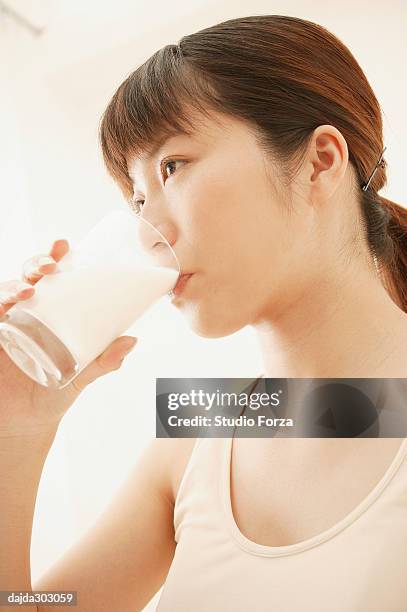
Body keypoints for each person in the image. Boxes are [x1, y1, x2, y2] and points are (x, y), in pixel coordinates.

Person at [1, 14, 407, 611]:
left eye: (173, 166)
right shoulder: (200, 427)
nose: (149, 229)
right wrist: (18, 426)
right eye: (137, 199)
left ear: (320, 161)